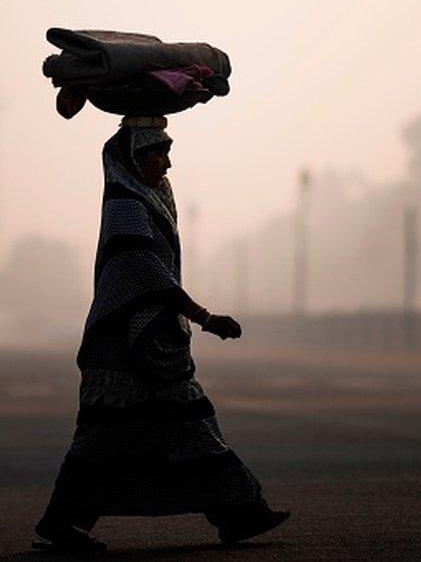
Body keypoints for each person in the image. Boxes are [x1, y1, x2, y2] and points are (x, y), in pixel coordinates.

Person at [34, 117, 288, 552]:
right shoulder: (125, 204)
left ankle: (239, 510)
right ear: (136, 158)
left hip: (154, 343)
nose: (166, 163)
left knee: (184, 423)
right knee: (108, 435)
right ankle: (64, 521)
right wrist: (205, 317)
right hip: (120, 343)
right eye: (159, 153)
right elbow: (147, 271)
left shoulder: (150, 197)